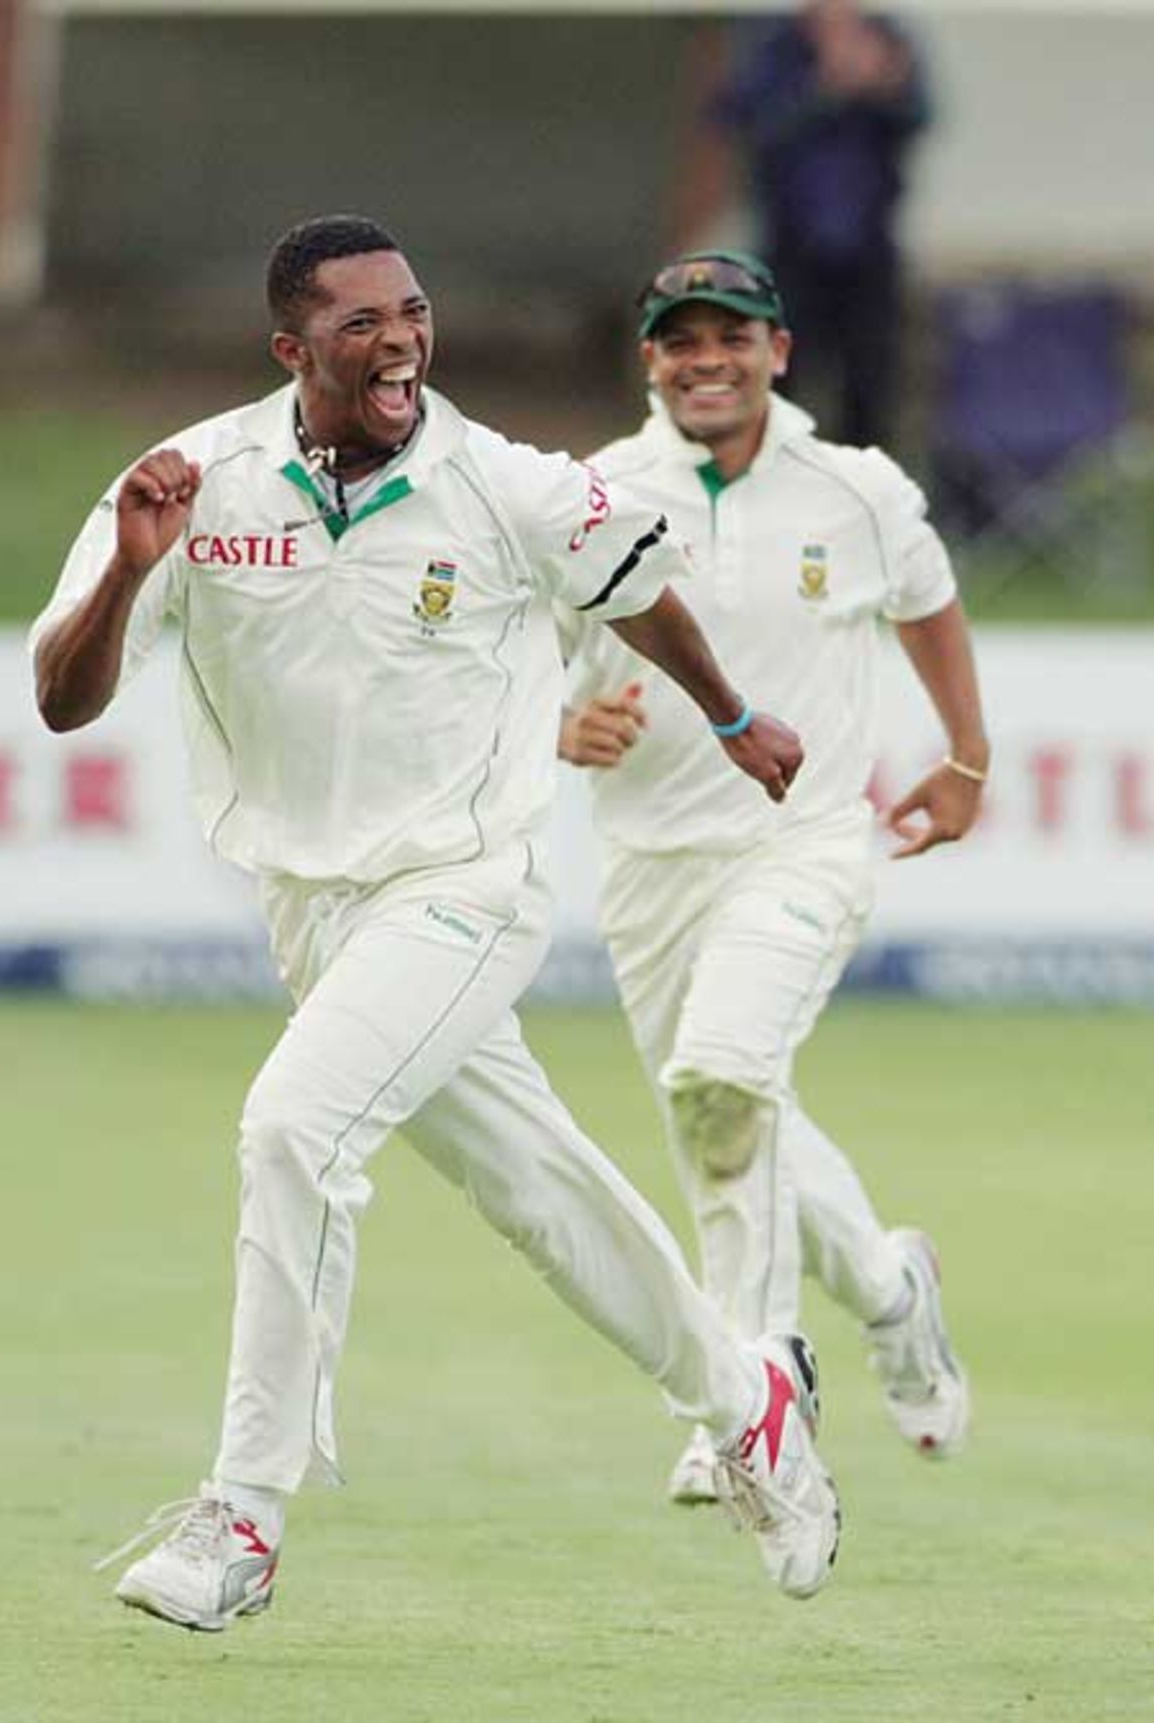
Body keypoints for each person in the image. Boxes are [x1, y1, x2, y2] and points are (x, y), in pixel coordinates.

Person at [31, 215, 841, 1628]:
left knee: (295, 1128)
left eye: (412, 311)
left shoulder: (505, 483)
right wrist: (130, 566)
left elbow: (637, 583)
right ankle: (747, 1399)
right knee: (539, 1188)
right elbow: (62, 695)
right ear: (293, 348)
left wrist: (727, 713)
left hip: (470, 889)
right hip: (313, 914)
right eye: (361, 321)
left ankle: (243, 1515)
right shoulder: (192, 482)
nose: (401, 337)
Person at [558, 248, 986, 1505]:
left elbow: (929, 600)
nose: (706, 359)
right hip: (647, 865)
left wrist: (964, 755)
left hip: (801, 844)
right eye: (680, 340)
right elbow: (519, 653)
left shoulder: (851, 490)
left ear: (776, 352)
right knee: (726, 1118)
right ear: (649, 361)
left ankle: (750, 1393)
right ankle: (892, 1288)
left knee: (722, 1078)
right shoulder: (594, 491)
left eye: (730, 337)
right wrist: (554, 727)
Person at [674, 0, 931, 449]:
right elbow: (742, 121)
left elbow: (921, 116)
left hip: (869, 246)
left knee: (870, 385)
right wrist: (828, 89)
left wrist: (885, 89)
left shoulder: (888, 36)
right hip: (790, 245)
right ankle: (769, 491)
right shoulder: (771, 42)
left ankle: (862, 495)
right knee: (779, 382)